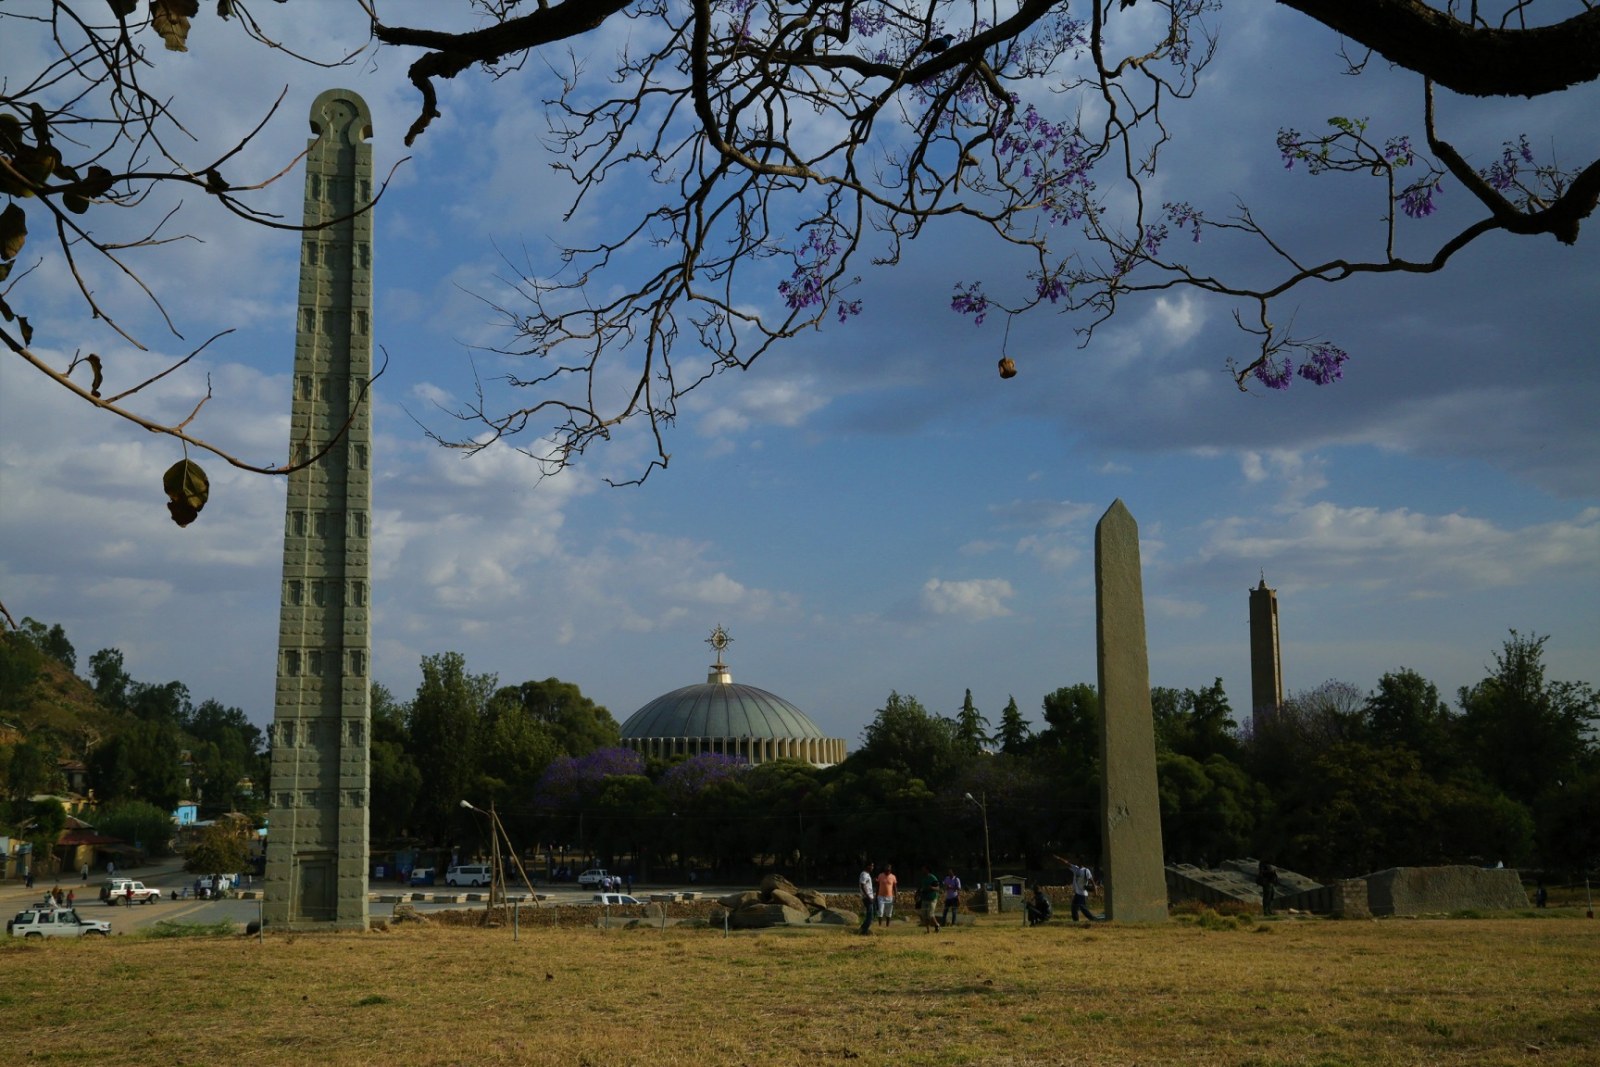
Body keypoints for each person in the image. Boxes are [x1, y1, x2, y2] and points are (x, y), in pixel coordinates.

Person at [1065, 856, 1103, 922]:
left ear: (1081, 862)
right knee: (1074, 907)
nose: (1076, 862)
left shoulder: (1086, 871)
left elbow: (1092, 881)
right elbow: (1066, 863)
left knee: (1082, 908)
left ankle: (1093, 919)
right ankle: (1075, 921)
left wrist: (1095, 891)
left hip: (1082, 893)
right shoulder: (1075, 868)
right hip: (1077, 893)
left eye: (1078, 861)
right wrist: (1058, 858)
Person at [916, 865, 942, 932]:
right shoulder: (923, 878)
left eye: (923, 869)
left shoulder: (933, 878)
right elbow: (920, 887)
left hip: (932, 898)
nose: (922, 871)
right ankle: (928, 930)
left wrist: (932, 888)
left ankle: (937, 925)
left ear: (927, 870)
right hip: (924, 898)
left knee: (930, 915)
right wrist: (917, 894)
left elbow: (938, 888)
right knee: (924, 915)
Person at [875, 863, 898, 928]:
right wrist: (876, 896)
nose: (887, 871)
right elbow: (877, 886)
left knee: (889, 913)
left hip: (890, 897)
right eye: (886, 870)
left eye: (889, 870)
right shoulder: (880, 875)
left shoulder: (893, 877)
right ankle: (880, 925)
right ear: (884, 870)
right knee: (880, 912)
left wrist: (896, 897)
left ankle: (887, 926)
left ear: (890, 870)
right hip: (881, 897)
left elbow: (895, 887)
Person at [857, 861, 876, 935]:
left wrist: (873, 881)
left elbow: (867, 885)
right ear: (868, 866)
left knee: (872, 914)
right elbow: (862, 885)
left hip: (870, 896)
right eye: (872, 866)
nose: (872, 867)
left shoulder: (867, 875)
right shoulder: (864, 874)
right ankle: (863, 930)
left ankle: (864, 928)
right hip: (867, 898)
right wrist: (868, 896)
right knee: (870, 915)